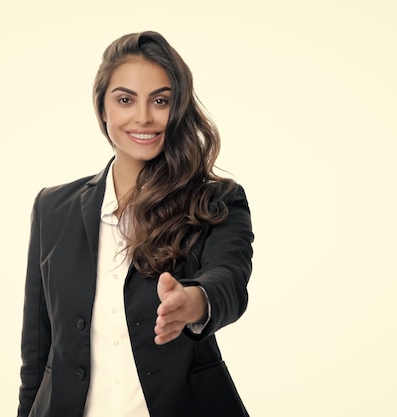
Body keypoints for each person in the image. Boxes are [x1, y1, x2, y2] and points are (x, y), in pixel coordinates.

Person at [17, 31, 254, 417]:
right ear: (103, 109)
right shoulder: (52, 208)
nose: (143, 117)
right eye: (125, 99)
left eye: (160, 101)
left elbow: (229, 279)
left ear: (177, 108)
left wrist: (195, 302)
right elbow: (38, 349)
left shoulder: (216, 200)